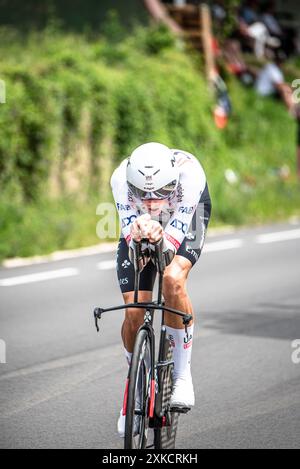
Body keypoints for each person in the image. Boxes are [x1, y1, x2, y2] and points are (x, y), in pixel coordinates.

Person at [110, 142, 212, 437]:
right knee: (134, 309)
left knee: (172, 279)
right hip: (141, 225)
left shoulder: (190, 177)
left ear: (174, 182)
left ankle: (181, 376)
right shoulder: (120, 180)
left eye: (161, 193)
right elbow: (133, 241)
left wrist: (159, 237)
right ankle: (135, 389)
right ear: (131, 185)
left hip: (186, 215)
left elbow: (167, 249)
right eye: (143, 194)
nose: (153, 203)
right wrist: (139, 234)